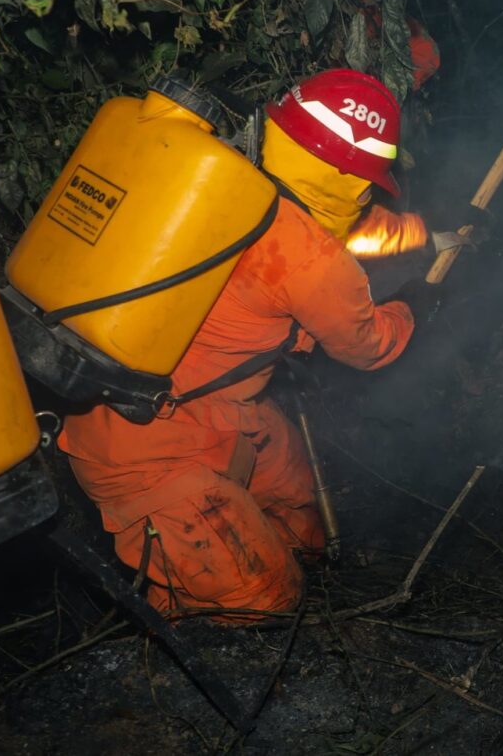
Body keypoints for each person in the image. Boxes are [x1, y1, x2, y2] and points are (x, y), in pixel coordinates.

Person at [60, 68, 475, 618]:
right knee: (261, 600)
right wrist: (416, 307)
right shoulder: (316, 261)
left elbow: (352, 225)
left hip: (203, 407)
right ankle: (188, 646)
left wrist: (426, 231)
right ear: (352, 178)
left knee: (301, 512)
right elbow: (368, 345)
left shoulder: (232, 182)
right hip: (144, 449)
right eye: (367, 179)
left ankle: (289, 556)